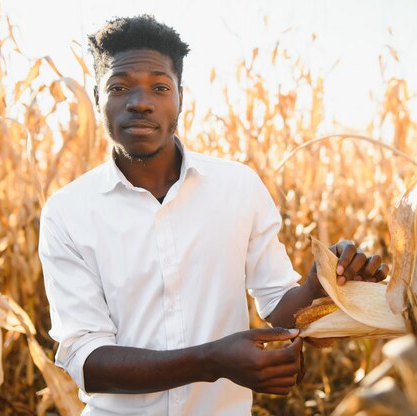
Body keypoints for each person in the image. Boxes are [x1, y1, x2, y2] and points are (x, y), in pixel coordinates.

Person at [38, 14, 389, 416]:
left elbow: (279, 306)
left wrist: (321, 283)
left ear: (180, 98)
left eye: (159, 87)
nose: (140, 102)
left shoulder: (238, 187)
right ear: (97, 97)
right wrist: (213, 360)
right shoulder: (68, 212)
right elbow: (88, 362)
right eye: (119, 87)